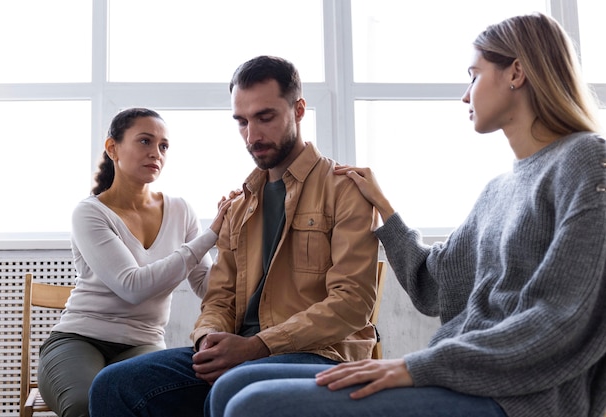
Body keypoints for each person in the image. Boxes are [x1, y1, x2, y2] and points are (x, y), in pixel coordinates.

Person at [205, 13, 606, 417]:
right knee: (230, 389)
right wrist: (387, 210)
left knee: (252, 405)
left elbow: (562, 320)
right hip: (460, 377)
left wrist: (415, 367)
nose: (466, 96)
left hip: (521, 398)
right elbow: (434, 286)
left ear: (516, 72)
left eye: (474, 75)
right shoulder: (498, 189)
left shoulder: (587, 160)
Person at [88, 56, 380, 417]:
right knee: (113, 385)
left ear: (299, 109)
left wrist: (257, 345)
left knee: (231, 387)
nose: (252, 135)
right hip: (241, 353)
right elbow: (219, 297)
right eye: (241, 122)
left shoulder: (345, 189)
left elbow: (352, 303)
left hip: (321, 354)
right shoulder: (240, 206)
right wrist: (209, 338)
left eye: (265, 117)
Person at [37, 107, 235, 417]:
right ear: (112, 148)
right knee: (86, 404)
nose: (156, 153)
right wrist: (210, 236)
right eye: (145, 141)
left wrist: (234, 244)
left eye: (163, 146)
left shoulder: (181, 210)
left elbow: (207, 286)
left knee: (163, 400)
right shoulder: (90, 213)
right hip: (80, 338)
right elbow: (132, 286)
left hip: (143, 341)